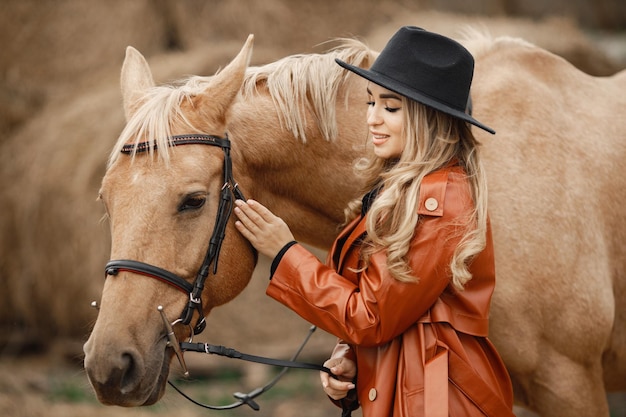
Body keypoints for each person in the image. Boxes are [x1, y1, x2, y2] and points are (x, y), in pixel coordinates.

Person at [234, 26, 514, 417]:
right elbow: (392, 308)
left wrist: (285, 253)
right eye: (371, 103)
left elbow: (373, 318)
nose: (372, 119)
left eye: (391, 107)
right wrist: (352, 359)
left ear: (428, 118)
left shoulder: (440, 201)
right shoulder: (401, 190)